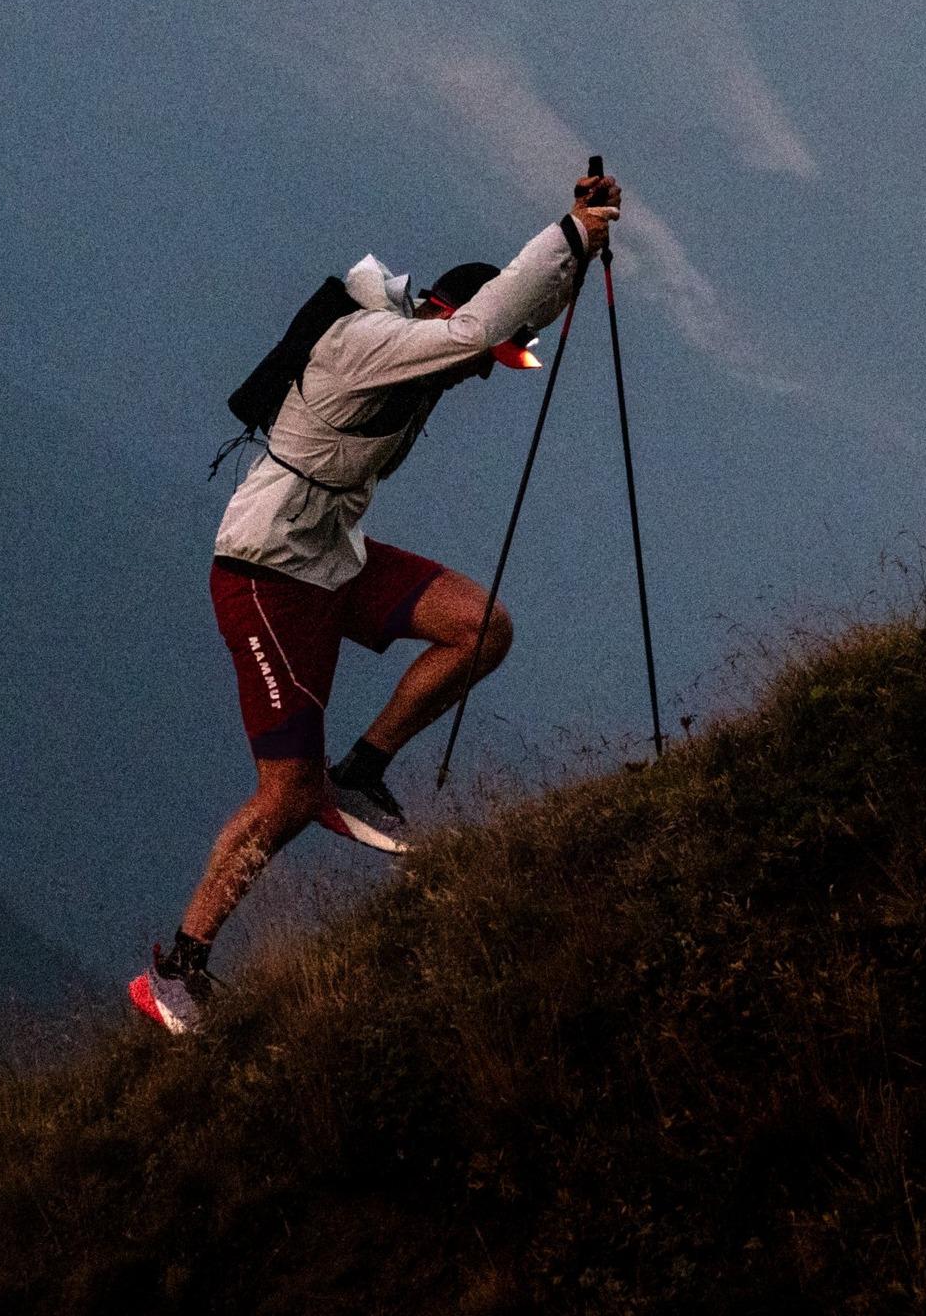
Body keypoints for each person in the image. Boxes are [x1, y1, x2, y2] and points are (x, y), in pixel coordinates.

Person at [131, 167, 622, 1033]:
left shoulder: (428, 342)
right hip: (267, 569)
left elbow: (500, 318)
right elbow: (481, 324)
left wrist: (577, 257)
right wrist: (568, 236)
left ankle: (360, 771)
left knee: (479, 626)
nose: (482, 374)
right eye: (485, 362)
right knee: (285, 796)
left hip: (328, 551)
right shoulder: (367, 342)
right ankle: (176, 970)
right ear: (439, 321)